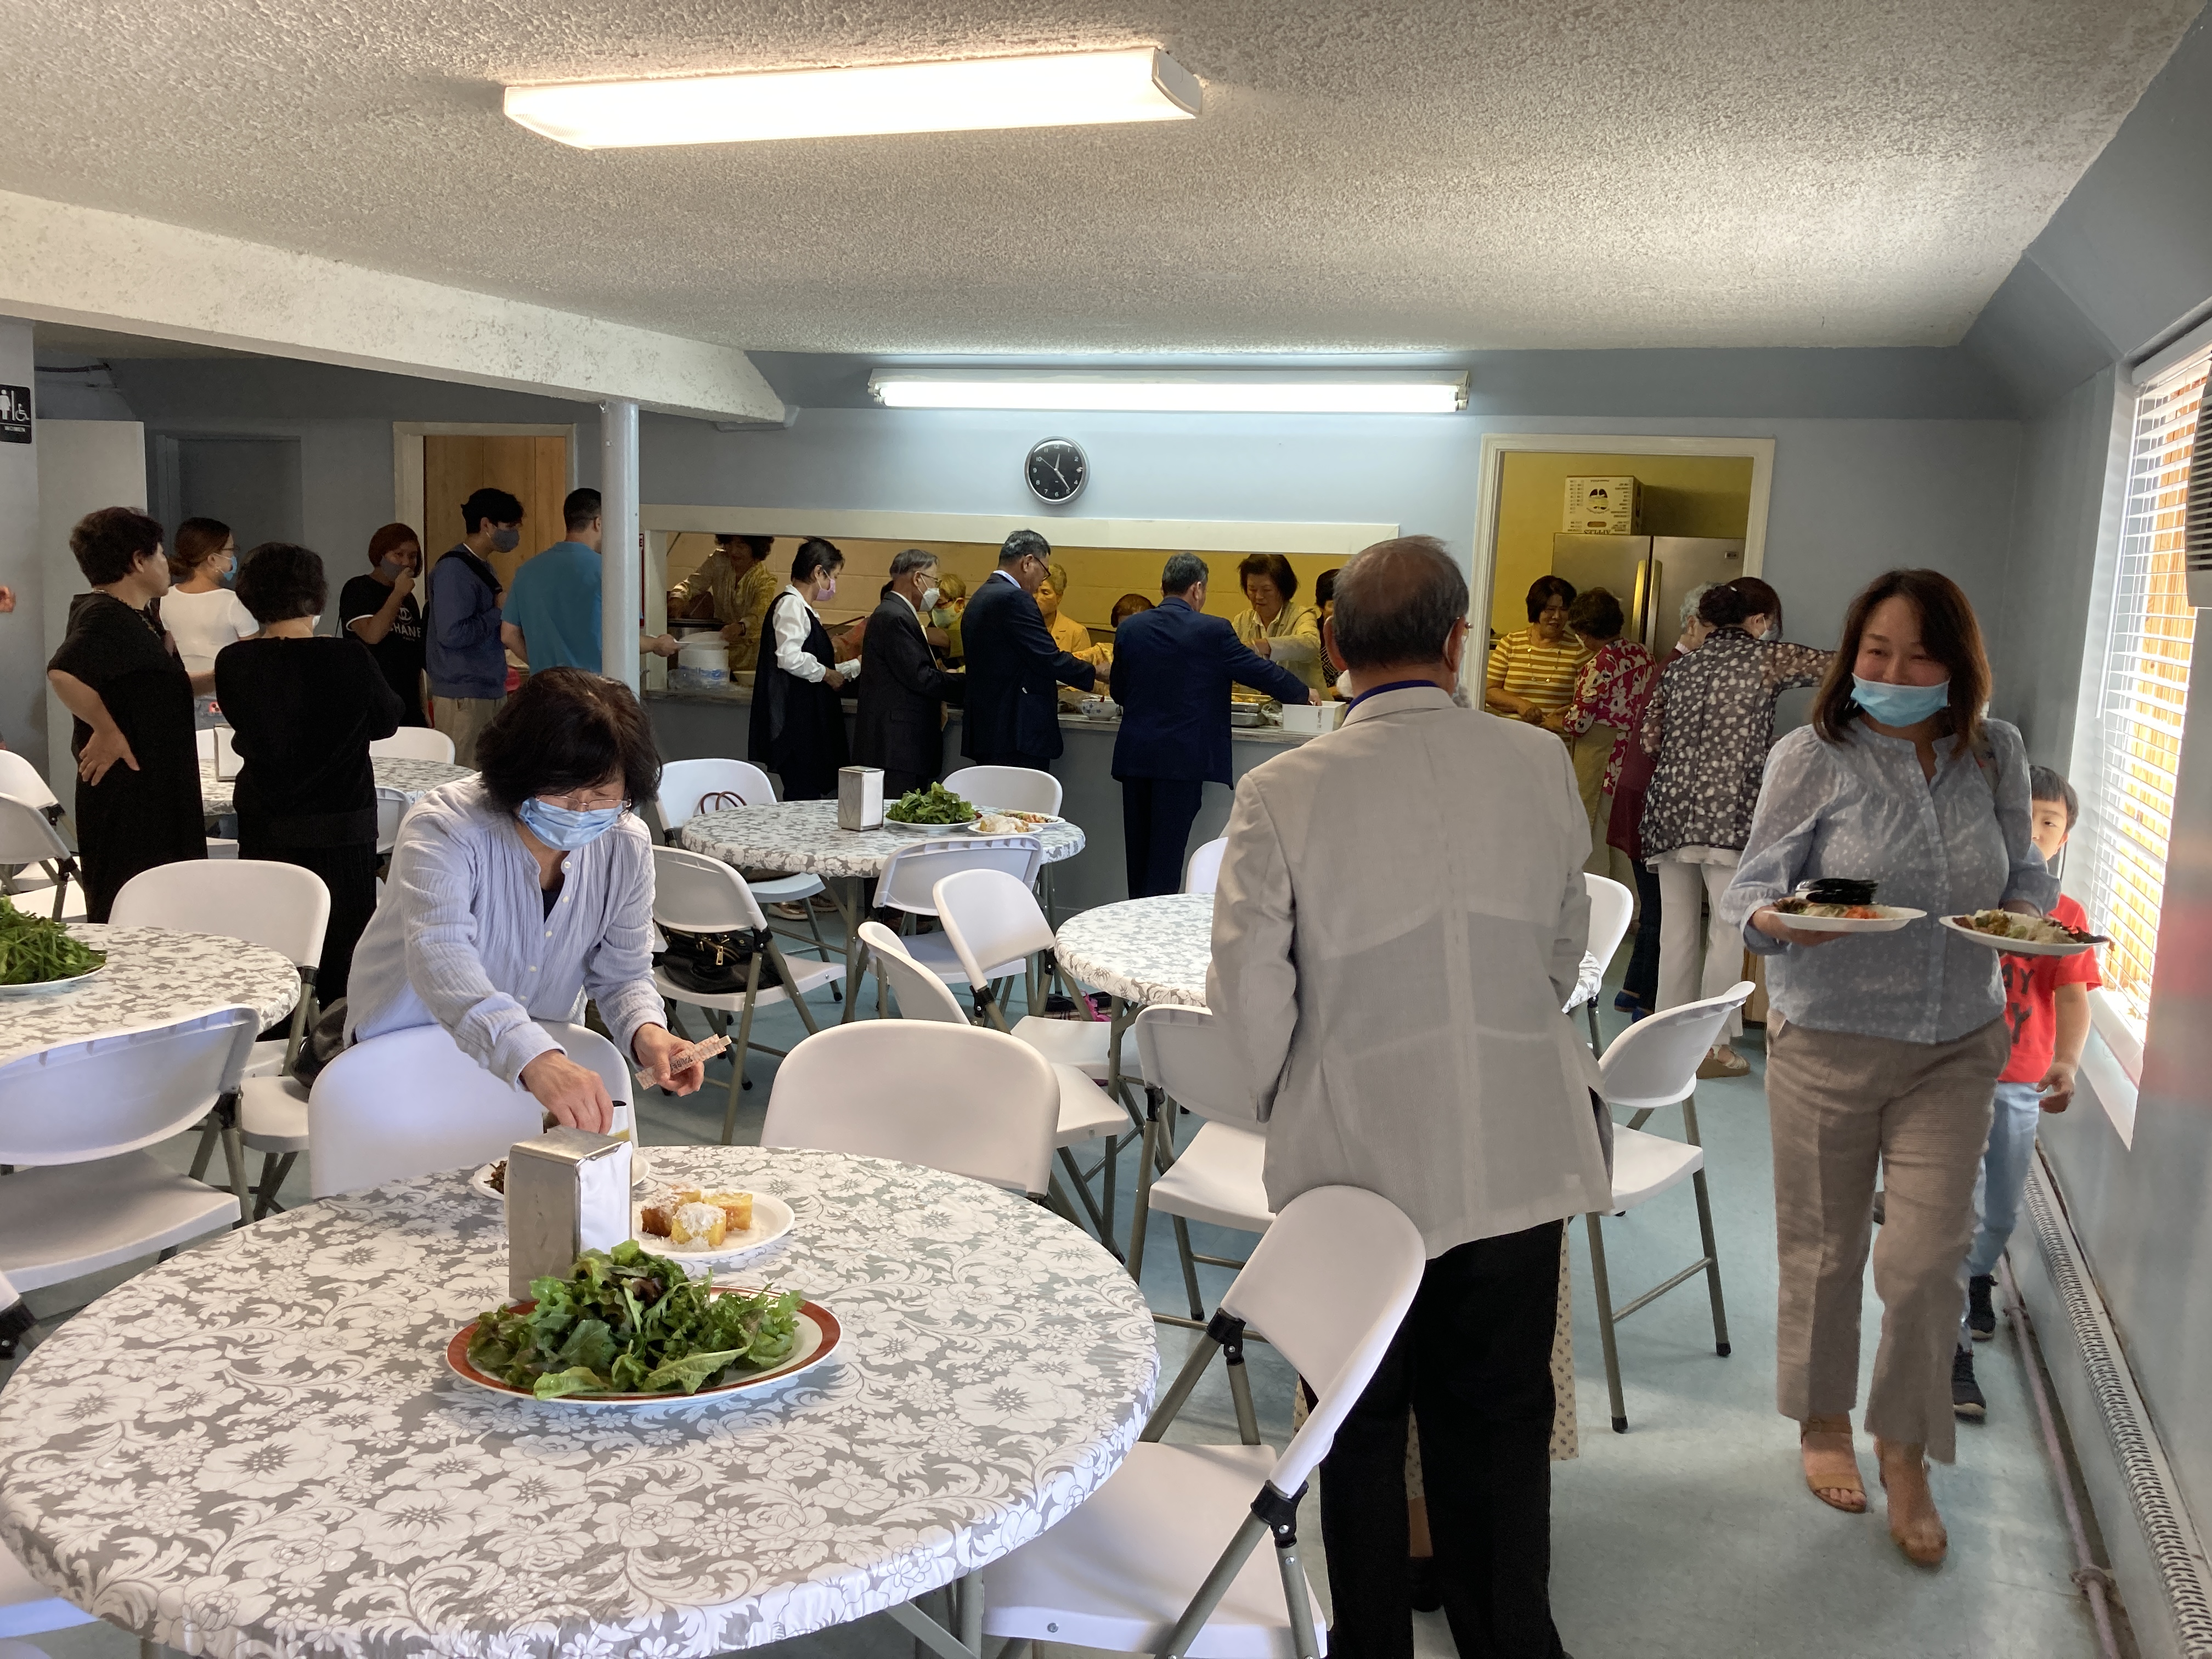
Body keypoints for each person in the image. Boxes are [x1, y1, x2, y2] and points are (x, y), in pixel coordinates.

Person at [1208, 535, 1610, 1659]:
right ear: (1458, 639)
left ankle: (1373, 1639)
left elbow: (1248, 995)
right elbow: (1564, 946)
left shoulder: (1282, 790)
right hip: (1517, 1147)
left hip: (1355, 1165)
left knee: (1359, 1422)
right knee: (1501, 1420)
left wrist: (1291, 1096)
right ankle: (1510, 1637)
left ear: (1334, 643)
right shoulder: (1537, 762)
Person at [1723, 568, 2052, 1567]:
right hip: (1829, 1038)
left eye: (1918, 655)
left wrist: (2026, 922)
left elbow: (2025, 875)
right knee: (1824, 1252)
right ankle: (1822, 1421)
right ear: (1850, 655)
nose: (1894, 673)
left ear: (1958, 665)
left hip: (1957, 1039)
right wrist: (1781, 925)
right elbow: (1752, 890)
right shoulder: (1810, 754)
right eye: (1876, 651)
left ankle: (1904, 1448)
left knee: (1924, 1262)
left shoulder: (1995, 753)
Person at [347, 669, 707, 1125]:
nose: (580, 810)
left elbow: (622, 973)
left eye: (601, 795)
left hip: (540, 1064)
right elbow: (442, 957)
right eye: (561, 792)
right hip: (409, 1052)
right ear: (517, 773)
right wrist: (533, 1055)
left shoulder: (625, 844)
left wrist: (648, 1031)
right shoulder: (446, 826)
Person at [1951, 766, 2097, 1421]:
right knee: (1956, 1213)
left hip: (2020, 1083)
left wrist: (2067, 1061)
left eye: (2050, 823)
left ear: (2066, 837)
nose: (2035, 834)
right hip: (1958, 1076)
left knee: (2001, 1215)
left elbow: (2073, 995)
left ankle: (1980, 1275)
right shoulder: (1970, 897)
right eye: (2025, 819)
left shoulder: (2067, 916)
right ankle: (1953, 1345)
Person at [1640, 582, 1830, 1077]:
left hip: (1669, 811)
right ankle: (1712, 1048)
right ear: (1760, 621)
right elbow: (1839, 666)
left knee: (1676, 933)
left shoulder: (1681, 667)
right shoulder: (1769, 659)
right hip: (1729, 813)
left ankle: (1668, 1042)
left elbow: (1650, 739)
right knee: (1727, 932)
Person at [216, 543, 402, 1002]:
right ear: (316, 595)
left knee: (272, 941)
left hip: (266, 819)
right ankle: (335, 1032)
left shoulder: (233, 661)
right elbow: (387, 720)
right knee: (344, 946)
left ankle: (275, 1026)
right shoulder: (349, 658)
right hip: (342, 822)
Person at [1109, 554, 1312, 898]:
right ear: (1197, 589)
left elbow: (1118, 690)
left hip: (1136, 757)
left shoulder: (1132, 628)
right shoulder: (1213, 630)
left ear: (1163, 587)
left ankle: (1135, 917)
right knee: (1166, 860)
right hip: (1182, 760)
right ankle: (1157, 926)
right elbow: (1258, 671)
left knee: (1139, 857)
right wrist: (1302, 693)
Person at [44, 507, 206, 921]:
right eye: (159, 553)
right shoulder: (106, 615)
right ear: (138, 561)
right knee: (135, 906)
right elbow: (63, 673)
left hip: (154, 786)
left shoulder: (137, 616)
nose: (166, 562)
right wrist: (106, 730)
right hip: (132, 795)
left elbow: (160, 690)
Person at [504, 488, 680, 674]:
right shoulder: (612, 573)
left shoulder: (527, 572)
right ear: (599, 523)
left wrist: (543, 669)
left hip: (546, 687)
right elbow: (625, 640)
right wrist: (657, 644)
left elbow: (508, 635)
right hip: (594, 688)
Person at [960, 529, 1096, 770]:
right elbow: (1047, 657)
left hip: (989, 729)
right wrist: (1096, 672)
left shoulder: (981, 595)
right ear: (1027, 562)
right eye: (1044, 571)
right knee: (1022, 797)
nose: (1042, 581)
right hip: (1016, 733)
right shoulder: (1016, 599)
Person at [750, 538, 859, 800]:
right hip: (796, 727)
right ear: (818, 572)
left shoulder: (805, 609)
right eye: (834, 577)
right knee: (802, 795)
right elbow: (789, 657)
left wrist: (853, 667)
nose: (834, 585)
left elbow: (814, 661)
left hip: (808, 723)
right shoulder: (791, 605)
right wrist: (827, 674)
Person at [1560, 587, 1655, 883]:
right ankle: (1632, 902)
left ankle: (1598, 897)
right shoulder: (1642, 655)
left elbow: (1578, 723)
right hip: (1636, 753)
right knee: (1624, 837)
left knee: (1595, 832)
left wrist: (1557, 718)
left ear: (1587, 633)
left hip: (1603, 758)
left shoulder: (1599, 665)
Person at [854, 549, 965, 798]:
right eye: (934, 581)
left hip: (902, 747)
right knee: (897, 817)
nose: (934, 589)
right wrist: (969, 684)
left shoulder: (898, 614)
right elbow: (921, 677)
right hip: (897, 747)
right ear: (917, 578)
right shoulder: (894, 617)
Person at [426, 487, 522, 765]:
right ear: (486, 525)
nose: (514, 534)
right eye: (509, 527)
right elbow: (452, 634)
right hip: (464, 697)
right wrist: (497, 612)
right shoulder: (454, 571)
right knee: (465, 776)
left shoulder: (484, 568)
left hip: (488, 689)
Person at [160, 517, 255, 724]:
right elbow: (255, 656)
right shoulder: (233, 602)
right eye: (231, 551)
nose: (233, 557)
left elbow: (168, 653)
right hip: (228, 697)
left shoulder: (167, 598)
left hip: (189, 694)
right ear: (212, 559)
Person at [340, 523, 430, 726]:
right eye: (399, 555)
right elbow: (372, 635)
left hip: (409, 707)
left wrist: (424, 710)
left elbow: (414, 658)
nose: (407, 563)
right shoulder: (358, 588)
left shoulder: (409, 600)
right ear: (381, 555)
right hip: (374, 706)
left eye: (413, 556)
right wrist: (398, 594)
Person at [1484, 574, 1589, 730]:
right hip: (1509, 736)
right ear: (1536, 609)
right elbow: (1488, 691)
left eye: (1564, 610)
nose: (1557, 616)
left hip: (1554, 739)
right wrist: (1520, 704)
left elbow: (1587, 703)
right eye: (1550, 609)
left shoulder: (1580, 650)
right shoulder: (1510, 644)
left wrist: (1570, 711)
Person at [1231, 552, 1326, 693]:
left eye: (1267, 590)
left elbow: (1310, 645)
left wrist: (1264, 645)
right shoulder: (1242, 621)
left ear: (1283, 589)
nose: (1258, 596)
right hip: (1259, 705)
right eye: (1252, 589)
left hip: (1307, 705)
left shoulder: (1301, 615)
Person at [670, 533, 777, 648]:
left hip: (750, 652)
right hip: (719, 643)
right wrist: (678, 598)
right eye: (729, 544)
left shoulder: (765, 580)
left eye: (741, 546)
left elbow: (759, 617)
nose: (733, 551)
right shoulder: (718, 561)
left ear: (756, 548)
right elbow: (692, 584)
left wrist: (741, 627)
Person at [929, 573, 969, 665]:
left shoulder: (968, 625)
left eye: (940, 604)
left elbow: (949, 637)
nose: (935, 609)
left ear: (960, 603)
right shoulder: (933, 625)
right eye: (932, 604)